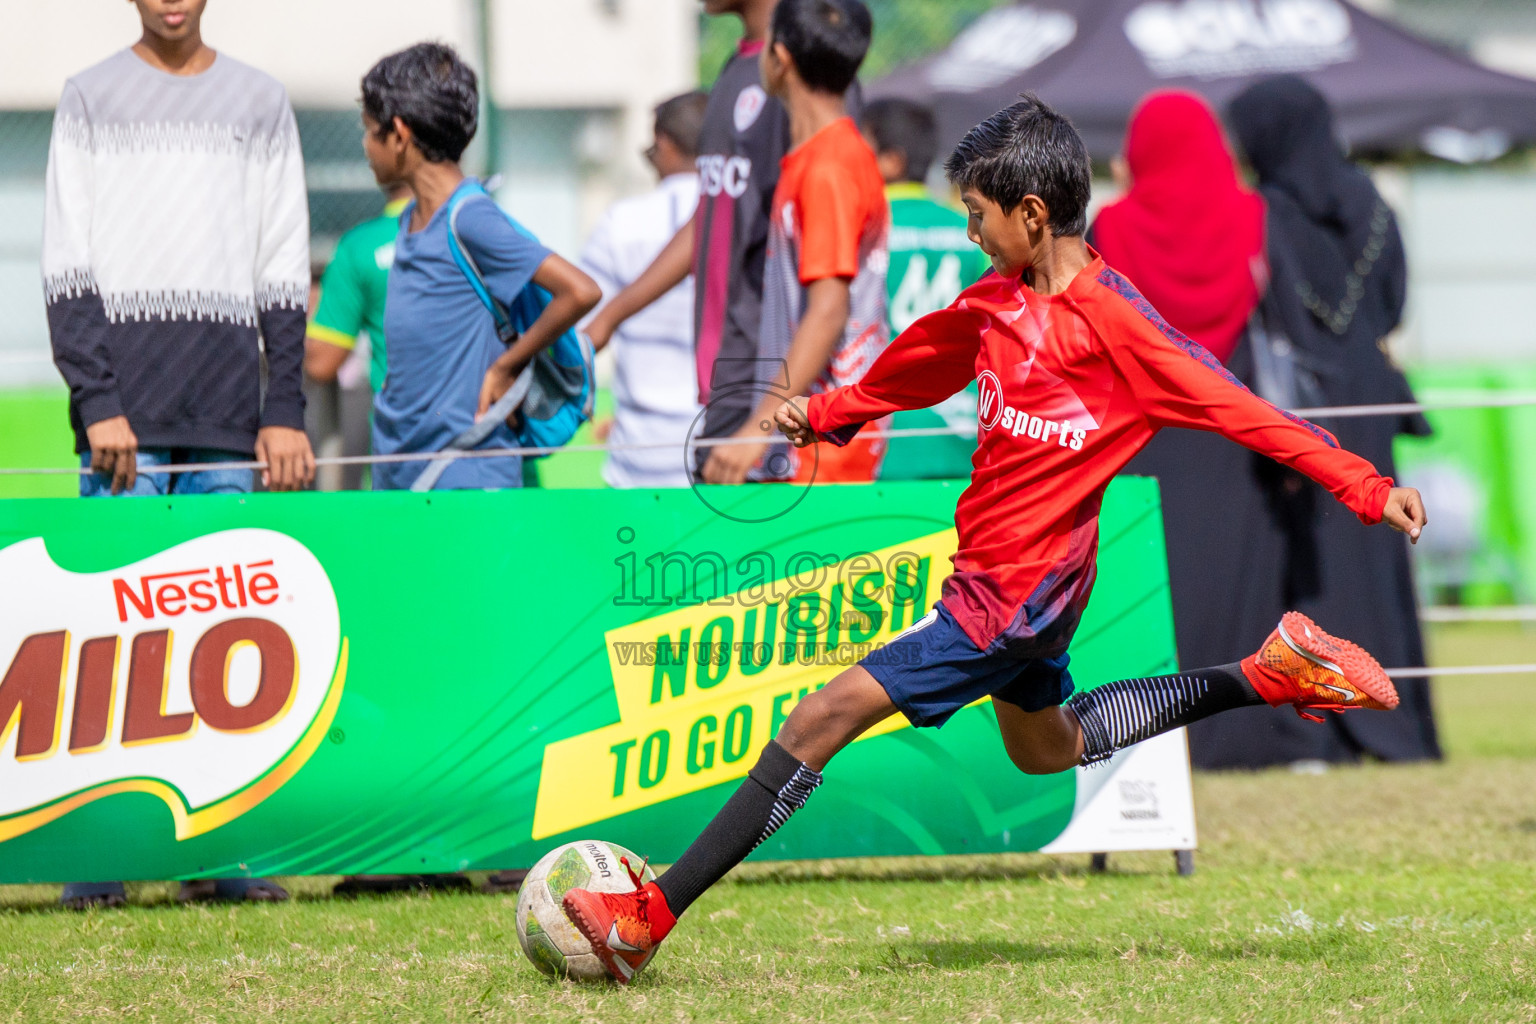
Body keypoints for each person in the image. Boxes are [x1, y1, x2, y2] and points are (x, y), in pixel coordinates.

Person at [558, 95, 1429, 983]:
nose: (970, 232)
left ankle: (648, 917)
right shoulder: (997, 302)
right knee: (1044, 747)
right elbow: (918, 359)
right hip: (1010, 590)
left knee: (821, 716)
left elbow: (1245, 413)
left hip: (1011, 600)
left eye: (976, 215)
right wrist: (825, 414)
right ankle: (1266, 672)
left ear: (1033, 214)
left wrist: (1368, 487)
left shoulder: (1117, 324)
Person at [41, 0, 313, 907]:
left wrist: (285, 410)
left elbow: (281, 261)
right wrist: (97, 401)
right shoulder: (88, 97)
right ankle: (98, 863)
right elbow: (64, 262)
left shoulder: (261, 101)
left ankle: (224, 860)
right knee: (107, 645)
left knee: (230, 652)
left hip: (232, 417)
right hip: (123, 419)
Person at [1187, 75, 1440, 768]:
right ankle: (1394, 718)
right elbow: (1392, 306)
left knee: (1304, 564)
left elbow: (1261, 312)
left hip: (1300, 410)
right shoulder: (1373, 206)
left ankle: (1319, 725)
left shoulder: (1259, 214)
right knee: (1377, 557)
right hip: (1371, 394)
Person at [1087, 90, 1287, 748]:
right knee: (1237, 579)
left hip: (1143, 437)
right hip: (1232, 431)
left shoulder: (1111, 230)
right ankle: (1243, 733)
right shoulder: (1257, 220)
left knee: (1152, 580)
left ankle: (1149, 730)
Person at [359, 43, 600, 492]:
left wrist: (507, 366)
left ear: (398, 133)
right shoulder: (414, 218)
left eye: (370, 131)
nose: (365, 146)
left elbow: (580, 291)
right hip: (403, 471)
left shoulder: (468, 217)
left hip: (465, 475)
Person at [738, 0, 888, 485]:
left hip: (822, 447)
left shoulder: (828, 167)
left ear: (779, 58)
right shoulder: (819, 158)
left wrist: (756, 429)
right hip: (813, 435)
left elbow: (828, 310)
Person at [579, 91, 709, 489]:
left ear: (666, 145)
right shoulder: (748, 219)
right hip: (723, 441)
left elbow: (583, 326)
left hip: (637, 453)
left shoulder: (622, 222)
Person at [859, 97, 991, 481]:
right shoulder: (972, 230)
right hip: (962, 431)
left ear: (890, 160)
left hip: (883, 436)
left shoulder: (862, 229)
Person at [306, 182, 412, 490]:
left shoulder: (362, 246)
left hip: (403, 449)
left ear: (400, 137)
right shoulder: (488, 227)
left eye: (372, 133)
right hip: (497, 447)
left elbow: (320, 360)